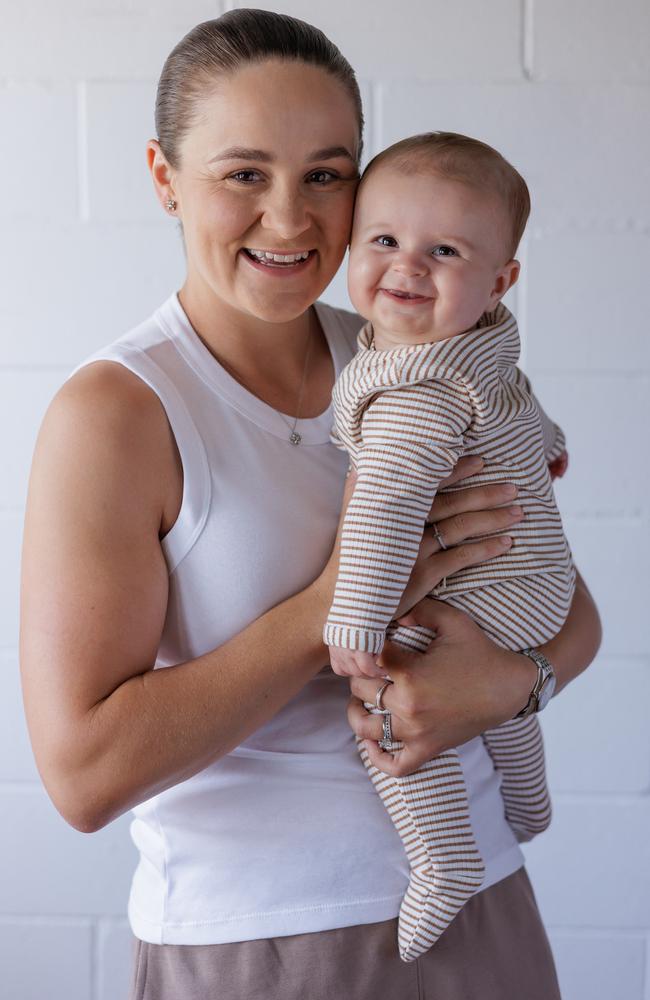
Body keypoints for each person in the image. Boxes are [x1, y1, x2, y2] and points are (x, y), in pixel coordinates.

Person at [19, 10, 601, 1000]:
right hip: (265, 942)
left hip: (480, 898)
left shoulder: (405, 352)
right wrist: (334, 604)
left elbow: (566, 605)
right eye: (243, 174)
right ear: (164, 177)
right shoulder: (119, 414)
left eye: (325, 175)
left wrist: (512, 682)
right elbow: (83, 775)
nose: (288, 220)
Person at [323, 131, 575, 961]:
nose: (408, 266)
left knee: (396, 692)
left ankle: (444, 855)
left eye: (445, 250)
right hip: (536, 584)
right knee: (490, 679)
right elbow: (518, 398)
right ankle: (529, 801)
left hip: (487, 587)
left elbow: (388, 503)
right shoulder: (483, 342)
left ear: (500, 280)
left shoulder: (416, 386)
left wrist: (356, 618)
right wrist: (548, 441)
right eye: (385, 241)